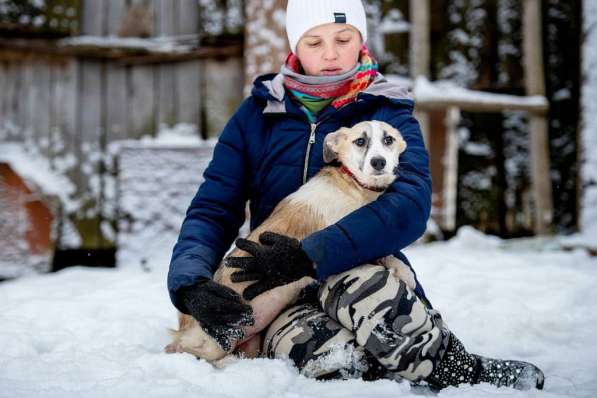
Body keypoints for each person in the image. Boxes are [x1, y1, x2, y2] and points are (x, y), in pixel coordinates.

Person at [168, 0, 544, 391]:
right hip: (275, 286)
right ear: (295, 46)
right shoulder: (257, 114)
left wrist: (310, 254)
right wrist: (189, 282)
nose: (330, 54)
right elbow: (213, 208)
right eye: (313, 42)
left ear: (360, 39)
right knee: (334, 361)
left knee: (370, 291)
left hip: (352, 264)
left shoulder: (388, 110)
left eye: (343, 38)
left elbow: (410, 204)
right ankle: (379, 367)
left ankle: (457, 370)